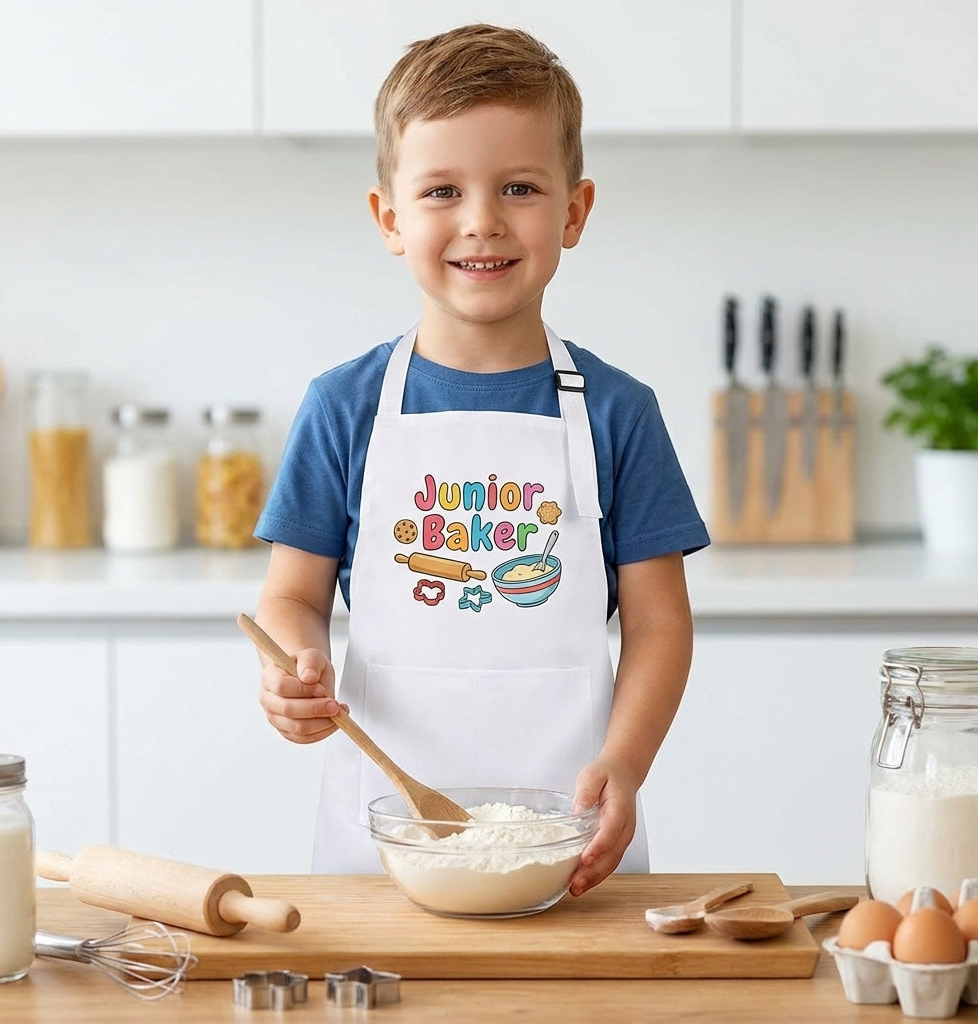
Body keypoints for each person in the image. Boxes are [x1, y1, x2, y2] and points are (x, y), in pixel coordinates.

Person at [253, 22, 709, 896]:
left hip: (570, 846)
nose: (481, 222)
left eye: (519, 187)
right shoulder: (342, 408)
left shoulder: (620, 413)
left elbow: (659, 625)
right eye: (441, 191)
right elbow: (291, 595)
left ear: (573, 211)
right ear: (390, 218)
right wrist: (294, 667)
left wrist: (627, 762)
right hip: (379, 852)